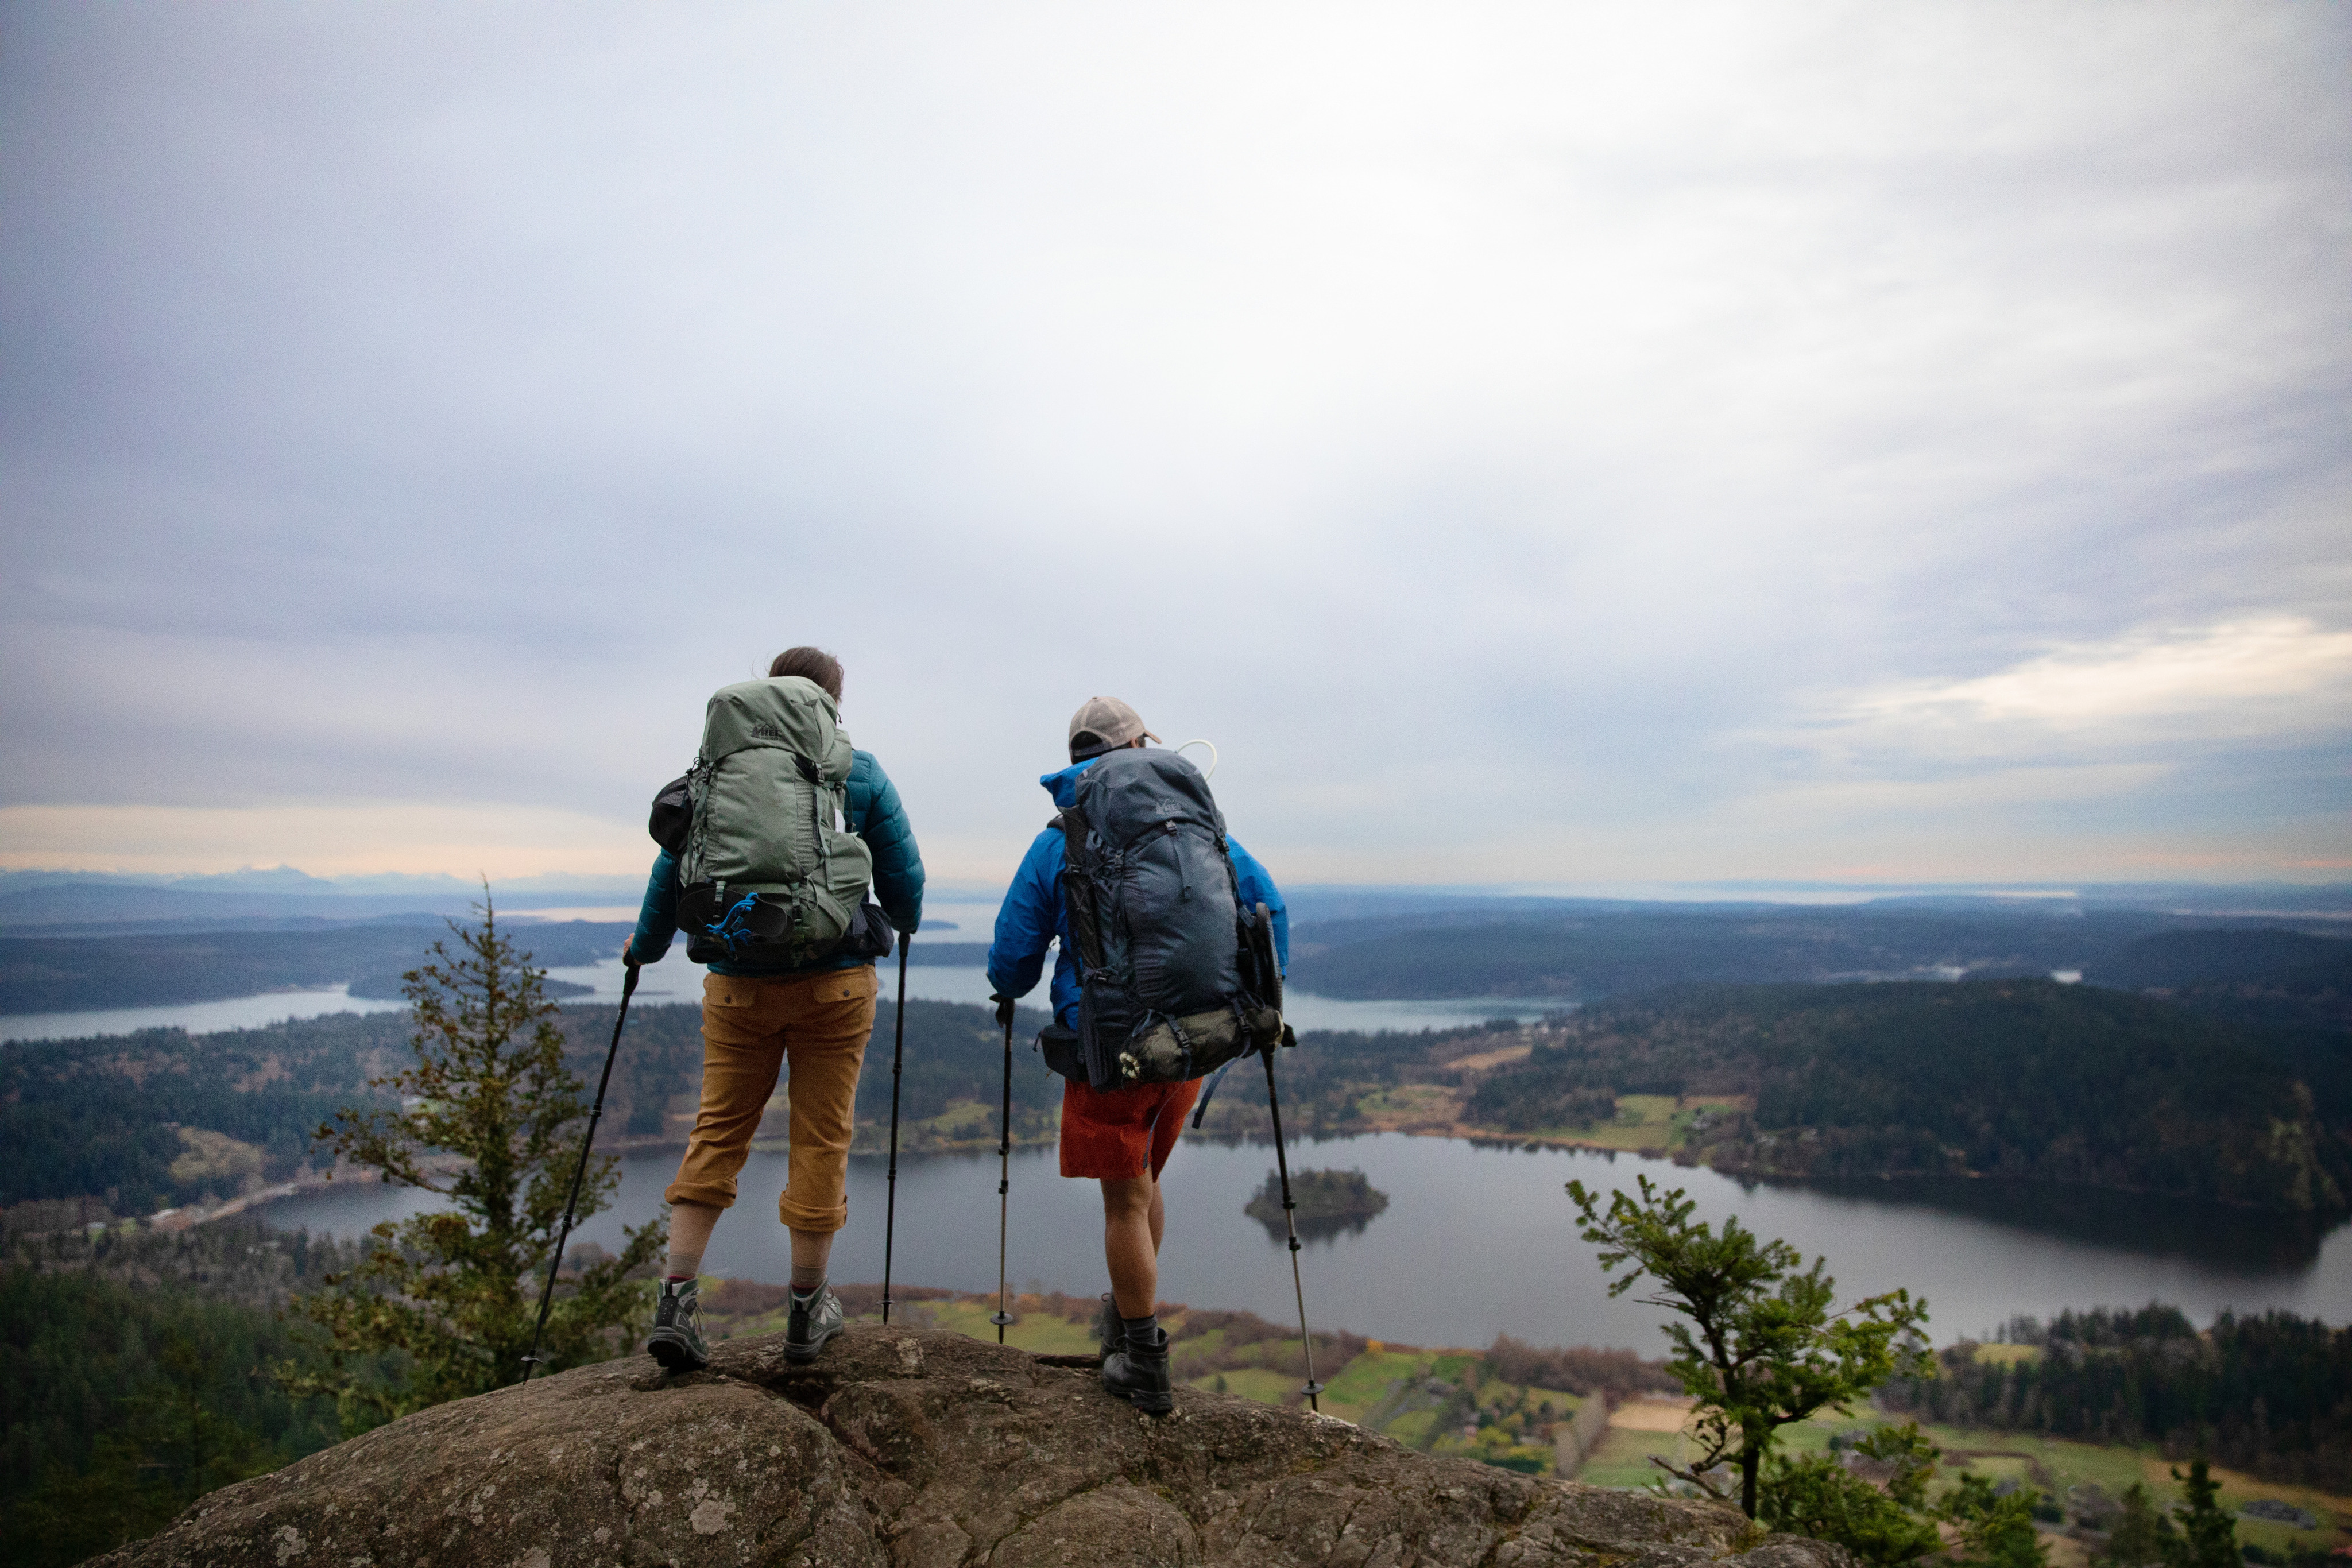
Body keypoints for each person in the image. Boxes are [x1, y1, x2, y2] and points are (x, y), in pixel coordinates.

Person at [985, 695, 1286, 1412]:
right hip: (1193, 1041)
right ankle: (1126, 1325)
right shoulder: (1202, 829)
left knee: (1124, 1200)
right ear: (1143, 743)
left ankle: (1143, 1360)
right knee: (1145, 1185)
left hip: (1113, 1047)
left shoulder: (1060, 839)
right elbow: (1269, 909)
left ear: (1078, 761)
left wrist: (1008, 987)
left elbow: (1012, 960)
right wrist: (1258, 1002)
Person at [630, 646, 923, 1372]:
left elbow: (672, 868)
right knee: (820, 1140)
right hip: (836, 987)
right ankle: (806, 1308)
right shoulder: (858, 771)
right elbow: (905, 877)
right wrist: (900, 917)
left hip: (736, 984)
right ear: (832, 703)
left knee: (718, 1131)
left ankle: (676, 1298)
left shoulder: (717, 771)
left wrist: (644, 947)